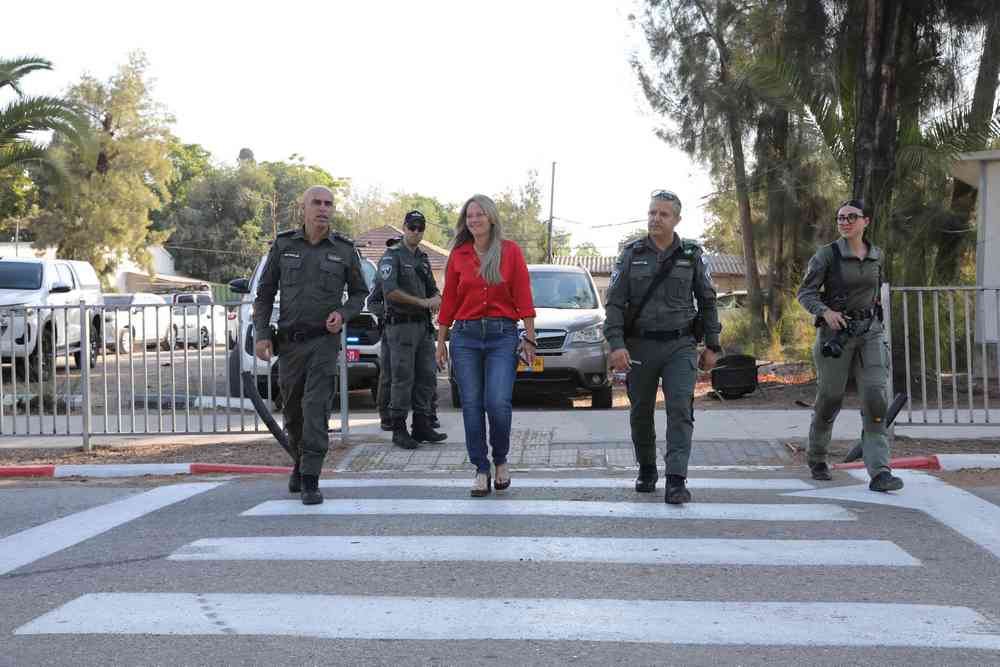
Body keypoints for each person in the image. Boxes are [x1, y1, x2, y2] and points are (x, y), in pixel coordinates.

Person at [604, 189, 722, 505]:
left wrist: (713, 345)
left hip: (680, 345)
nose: (656, 218)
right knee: (641, 411)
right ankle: (646, 468)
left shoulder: (691, 255)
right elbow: (614, 303)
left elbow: (708, 301)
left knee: (680, 409)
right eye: (652, 213)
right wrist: (616, 345)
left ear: (677, 219)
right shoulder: (631, 253)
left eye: (663, 214)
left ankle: (676, 479)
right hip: (639, 346)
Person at [253, 185, 369, 505]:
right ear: (303, 208)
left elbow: (360, 294)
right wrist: (262, 334)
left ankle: (310, 478)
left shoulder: (345, 250)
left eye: (328, 204)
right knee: (292, 411)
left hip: (323, 342)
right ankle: (300, 462)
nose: (322, 208)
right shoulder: (284, 245)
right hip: (289, 343)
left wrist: (343, 314)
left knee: (315, 408)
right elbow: (264, 293)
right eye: (316, 203)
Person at [796, 199, 903, 492]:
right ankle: (817, 457)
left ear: (865, 222)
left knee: (875, 398)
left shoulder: (877, 255)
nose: (845, 222)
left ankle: (880, 471)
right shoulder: (826, 255)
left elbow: (874, 292)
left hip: (870, 332)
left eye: (851, 217)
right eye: (841, 218)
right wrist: (825, 312)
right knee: (830, 397)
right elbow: (804, 293)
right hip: (836, 336)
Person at [435, 194, 536, 497]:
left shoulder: (510, 252)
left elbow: (523, 296)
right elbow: (449, 300)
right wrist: (441, 341)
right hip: (464, 337)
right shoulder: (459, 254)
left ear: (491, 217)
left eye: (479, 214)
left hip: (502, 335)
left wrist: (529, 338)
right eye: (469, 216)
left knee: (498, 403)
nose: (474, 220)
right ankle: (481, 468)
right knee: (471, 406)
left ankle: (501, 460)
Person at [379, 210, 447, 448]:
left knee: (427, 376)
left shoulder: (423, 258)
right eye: (412, 227)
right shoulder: (392, 256)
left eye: (420, 228)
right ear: (404, 227)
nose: (416, 232)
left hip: (423, 326)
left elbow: (432, 289)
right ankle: (398, 428)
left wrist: (437, 298)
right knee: (402, 377)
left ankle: (422, 424)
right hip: (401, 326)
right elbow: (390, 291)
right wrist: (423, 303)